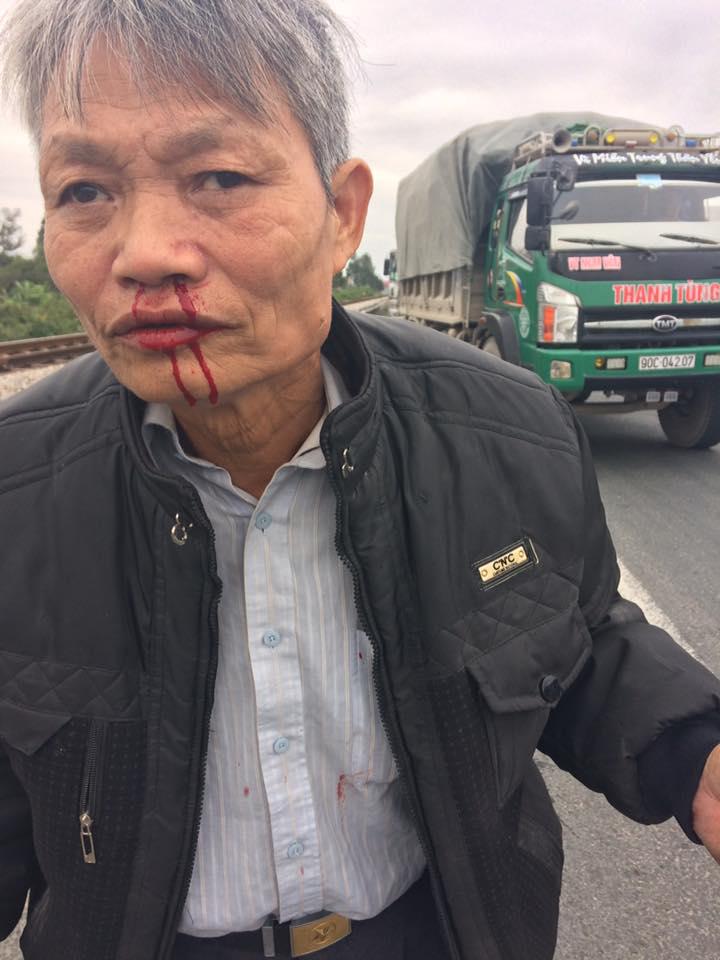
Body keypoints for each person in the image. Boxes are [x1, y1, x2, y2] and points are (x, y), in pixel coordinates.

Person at [0, 2, 719, 959]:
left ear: (343, 215)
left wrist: (695, 754)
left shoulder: (504, 432)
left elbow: (576, 640)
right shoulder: (16, 490)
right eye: (85, 191)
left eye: (218, 177)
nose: (144, 255)